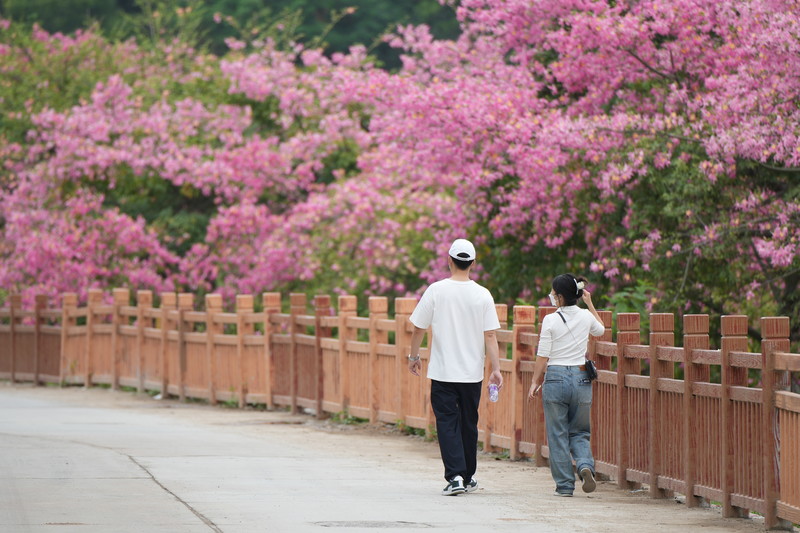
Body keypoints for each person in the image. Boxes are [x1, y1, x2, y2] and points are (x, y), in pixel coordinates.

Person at [407, 238, 503, 496]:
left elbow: (418, 328)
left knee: (447, 422)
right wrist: (496, 368)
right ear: (473, 263)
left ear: (449, 260)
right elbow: (491, 335)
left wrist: (413, 356)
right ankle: (468, 475)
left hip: (442, 372)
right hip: (471, 373)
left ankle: (456, 477)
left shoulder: (436, 290)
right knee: (469, 423)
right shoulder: (482, 294)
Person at [527, 274, 605, 497]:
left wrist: (535, 381)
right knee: (579, 431)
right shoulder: (585, 317)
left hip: (556, 377)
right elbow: (601, 329)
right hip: (581, 378)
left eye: (553, 293)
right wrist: (589, 303)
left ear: (560, 297)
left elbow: (543, 355)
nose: (551, 296)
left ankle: (564, 486)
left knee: (558, 433)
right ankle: (584, 466)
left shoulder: (550, 320)